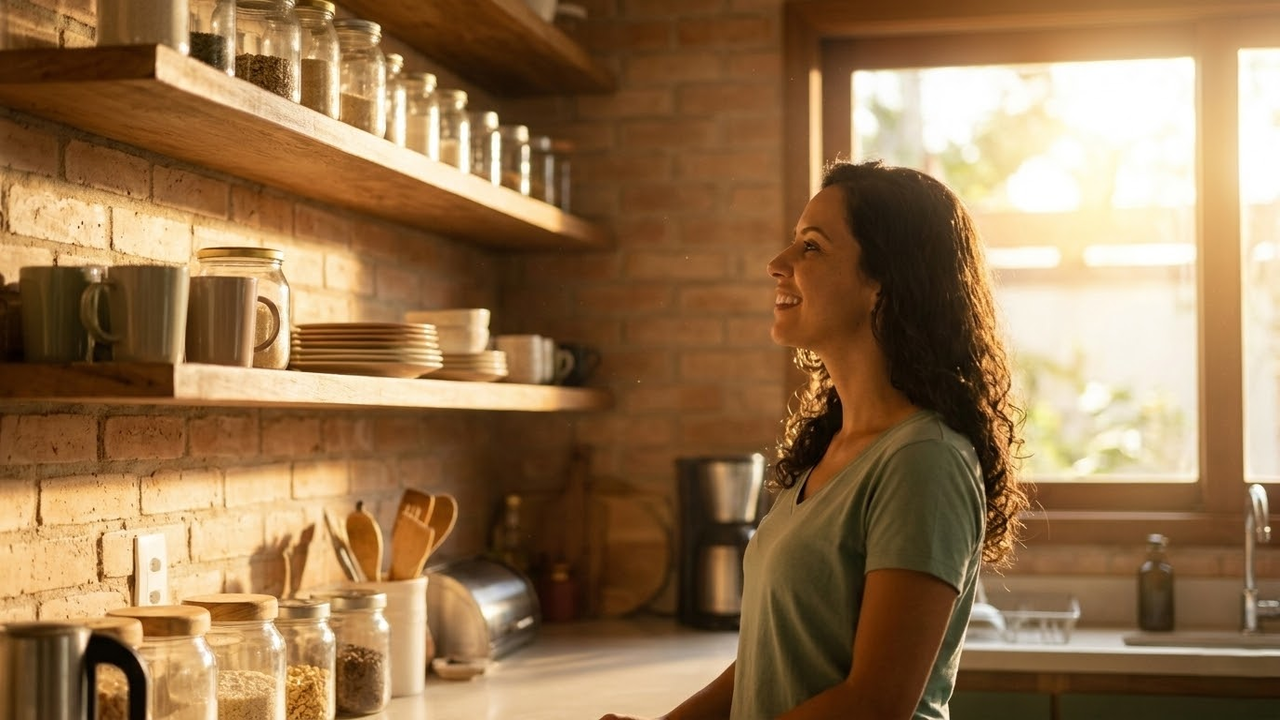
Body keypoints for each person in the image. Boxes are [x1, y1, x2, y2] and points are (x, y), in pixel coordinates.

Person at [600, 159, 1029, 720]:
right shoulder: (831, 451)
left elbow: (872, 705)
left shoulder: (924, 459)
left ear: (883, 283)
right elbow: (765, 661)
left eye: (811, 248)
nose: (777, 264)